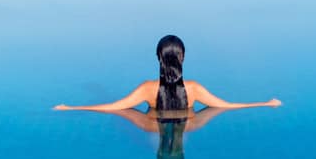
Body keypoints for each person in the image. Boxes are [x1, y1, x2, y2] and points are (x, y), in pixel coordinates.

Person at [53, 34, 281, 112]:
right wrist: (265, 103)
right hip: (187, 124)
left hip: (153, 126)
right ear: (182, 58)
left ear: (158, 58)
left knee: (130, 118)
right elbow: (227, 105)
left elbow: (113, 106)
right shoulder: (194, 89)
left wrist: (71, 108)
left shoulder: (147, 89)